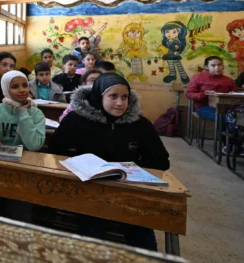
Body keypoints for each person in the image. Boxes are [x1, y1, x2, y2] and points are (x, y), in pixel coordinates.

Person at [49, 73, 170, 251]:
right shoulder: (77, 119)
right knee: (92, 229)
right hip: (90, 188)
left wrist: (138, 170)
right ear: (99, 96)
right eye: (113, 96)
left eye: (124, 97)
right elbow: (56, 151)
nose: (120, 103)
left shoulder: (140, 124)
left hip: (130, 191)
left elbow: (161, 161)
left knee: (141, 234)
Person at [0, 70, 45, 222]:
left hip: (22, 171)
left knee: (19, 211)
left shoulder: (36, 114)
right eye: (15, 86)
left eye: (25, 85)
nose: (22, 90)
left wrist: (24, 114)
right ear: (5, 89)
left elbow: (34, 145)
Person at [186, 56, 244, 157]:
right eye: (213, 65)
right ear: (206, 67)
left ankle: (236, 145)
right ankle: (229, 145)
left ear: (223, 66)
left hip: (226, 108)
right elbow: (189, 94)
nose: (217, 68)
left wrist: (232, 94)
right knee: (224, 117)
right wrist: (203, 94)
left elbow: (235, 95)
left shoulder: (228, 80)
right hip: (204, 107)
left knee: (240, 117)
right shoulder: (198, 78)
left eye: (219, 65)